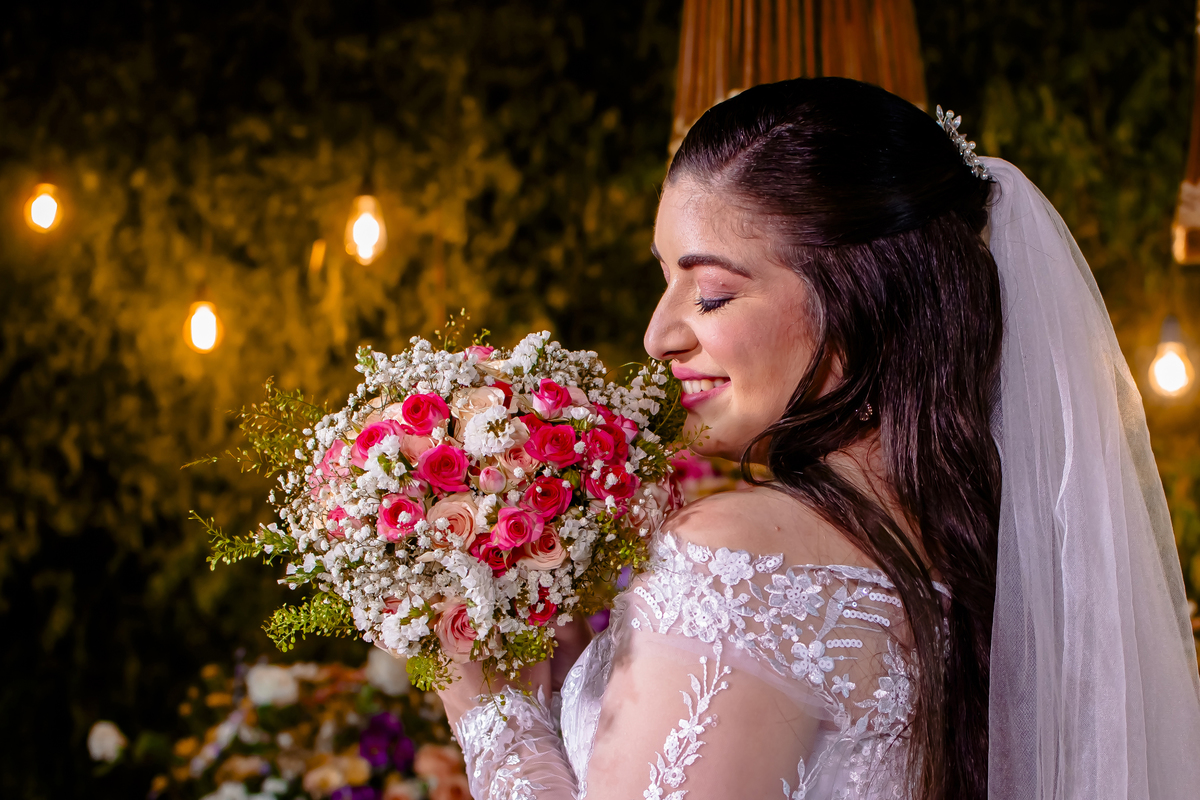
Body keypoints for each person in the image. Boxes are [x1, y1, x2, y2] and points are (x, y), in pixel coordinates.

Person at [435, 77, 1200, 800]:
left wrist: (490, 717)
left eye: (711, 294)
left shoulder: (737, 557)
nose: (659, 334)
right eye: (664, 281)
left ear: (861, 300)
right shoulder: (977, 557)